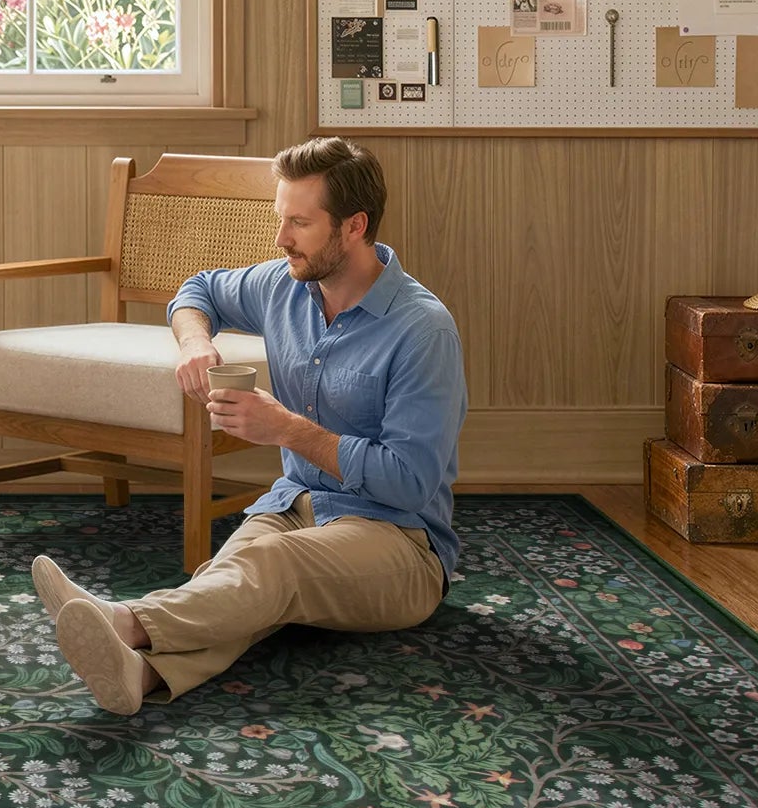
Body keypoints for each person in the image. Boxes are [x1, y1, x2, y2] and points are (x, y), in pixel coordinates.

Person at [38, 136, 465, 715]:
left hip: (401, 543)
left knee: (268, 568)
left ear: (353, 227)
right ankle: (138, 675)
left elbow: (409, 483)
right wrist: (195, 342)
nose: (280, 238)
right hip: (297, 504)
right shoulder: (284, 285)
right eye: (279, 218)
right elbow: (198, 289)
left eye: (299, 223)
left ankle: (124, 619)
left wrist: (289, 430)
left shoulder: (422, 331)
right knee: (234, 582)